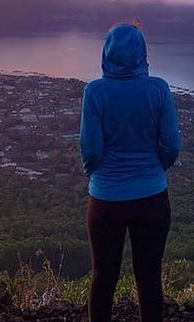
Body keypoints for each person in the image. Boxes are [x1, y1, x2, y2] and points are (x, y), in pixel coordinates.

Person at [80, 22, 181, 322]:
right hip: (152, 198)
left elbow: (91, 151)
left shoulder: (95, 92)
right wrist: (154, 169)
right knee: (149, 278)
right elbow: (171, 145)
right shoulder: (158, 89)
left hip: (106, 200)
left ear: (106, 53)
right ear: (142, 54)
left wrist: (97, 175)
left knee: (104, 275)